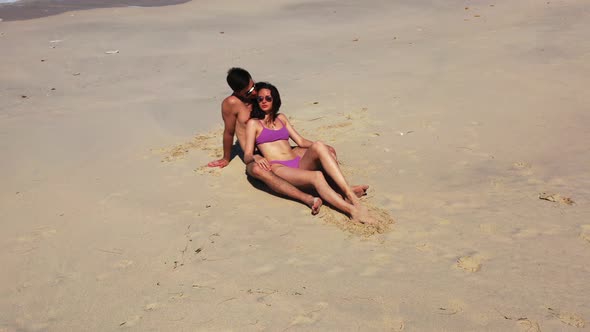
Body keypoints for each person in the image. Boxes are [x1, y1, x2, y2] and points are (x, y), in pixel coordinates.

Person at [244, 82, 375, 225]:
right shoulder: (254, 124)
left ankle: (349, 194)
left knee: (319, 145)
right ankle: (352, 210)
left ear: (275, 99)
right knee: (317, 176)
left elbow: (300, 140)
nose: (264, 101)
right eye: (260, 99)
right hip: (279, 167)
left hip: (297, 162)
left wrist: (323, 148)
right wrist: (256, 156)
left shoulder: (281, 118)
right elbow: (247, 154)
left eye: (268, 98)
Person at [207, 68, 323, 214]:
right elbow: (229, 132)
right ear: (237, 92)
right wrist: (226, 158)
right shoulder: (232, 103)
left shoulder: (258, 95)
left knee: (323, 151)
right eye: (248, 92)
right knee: (258, 169)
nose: (254, 93)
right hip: (255, 155)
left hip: (274, 148)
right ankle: (306, 198)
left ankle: (336, 189)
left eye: (253, 86)